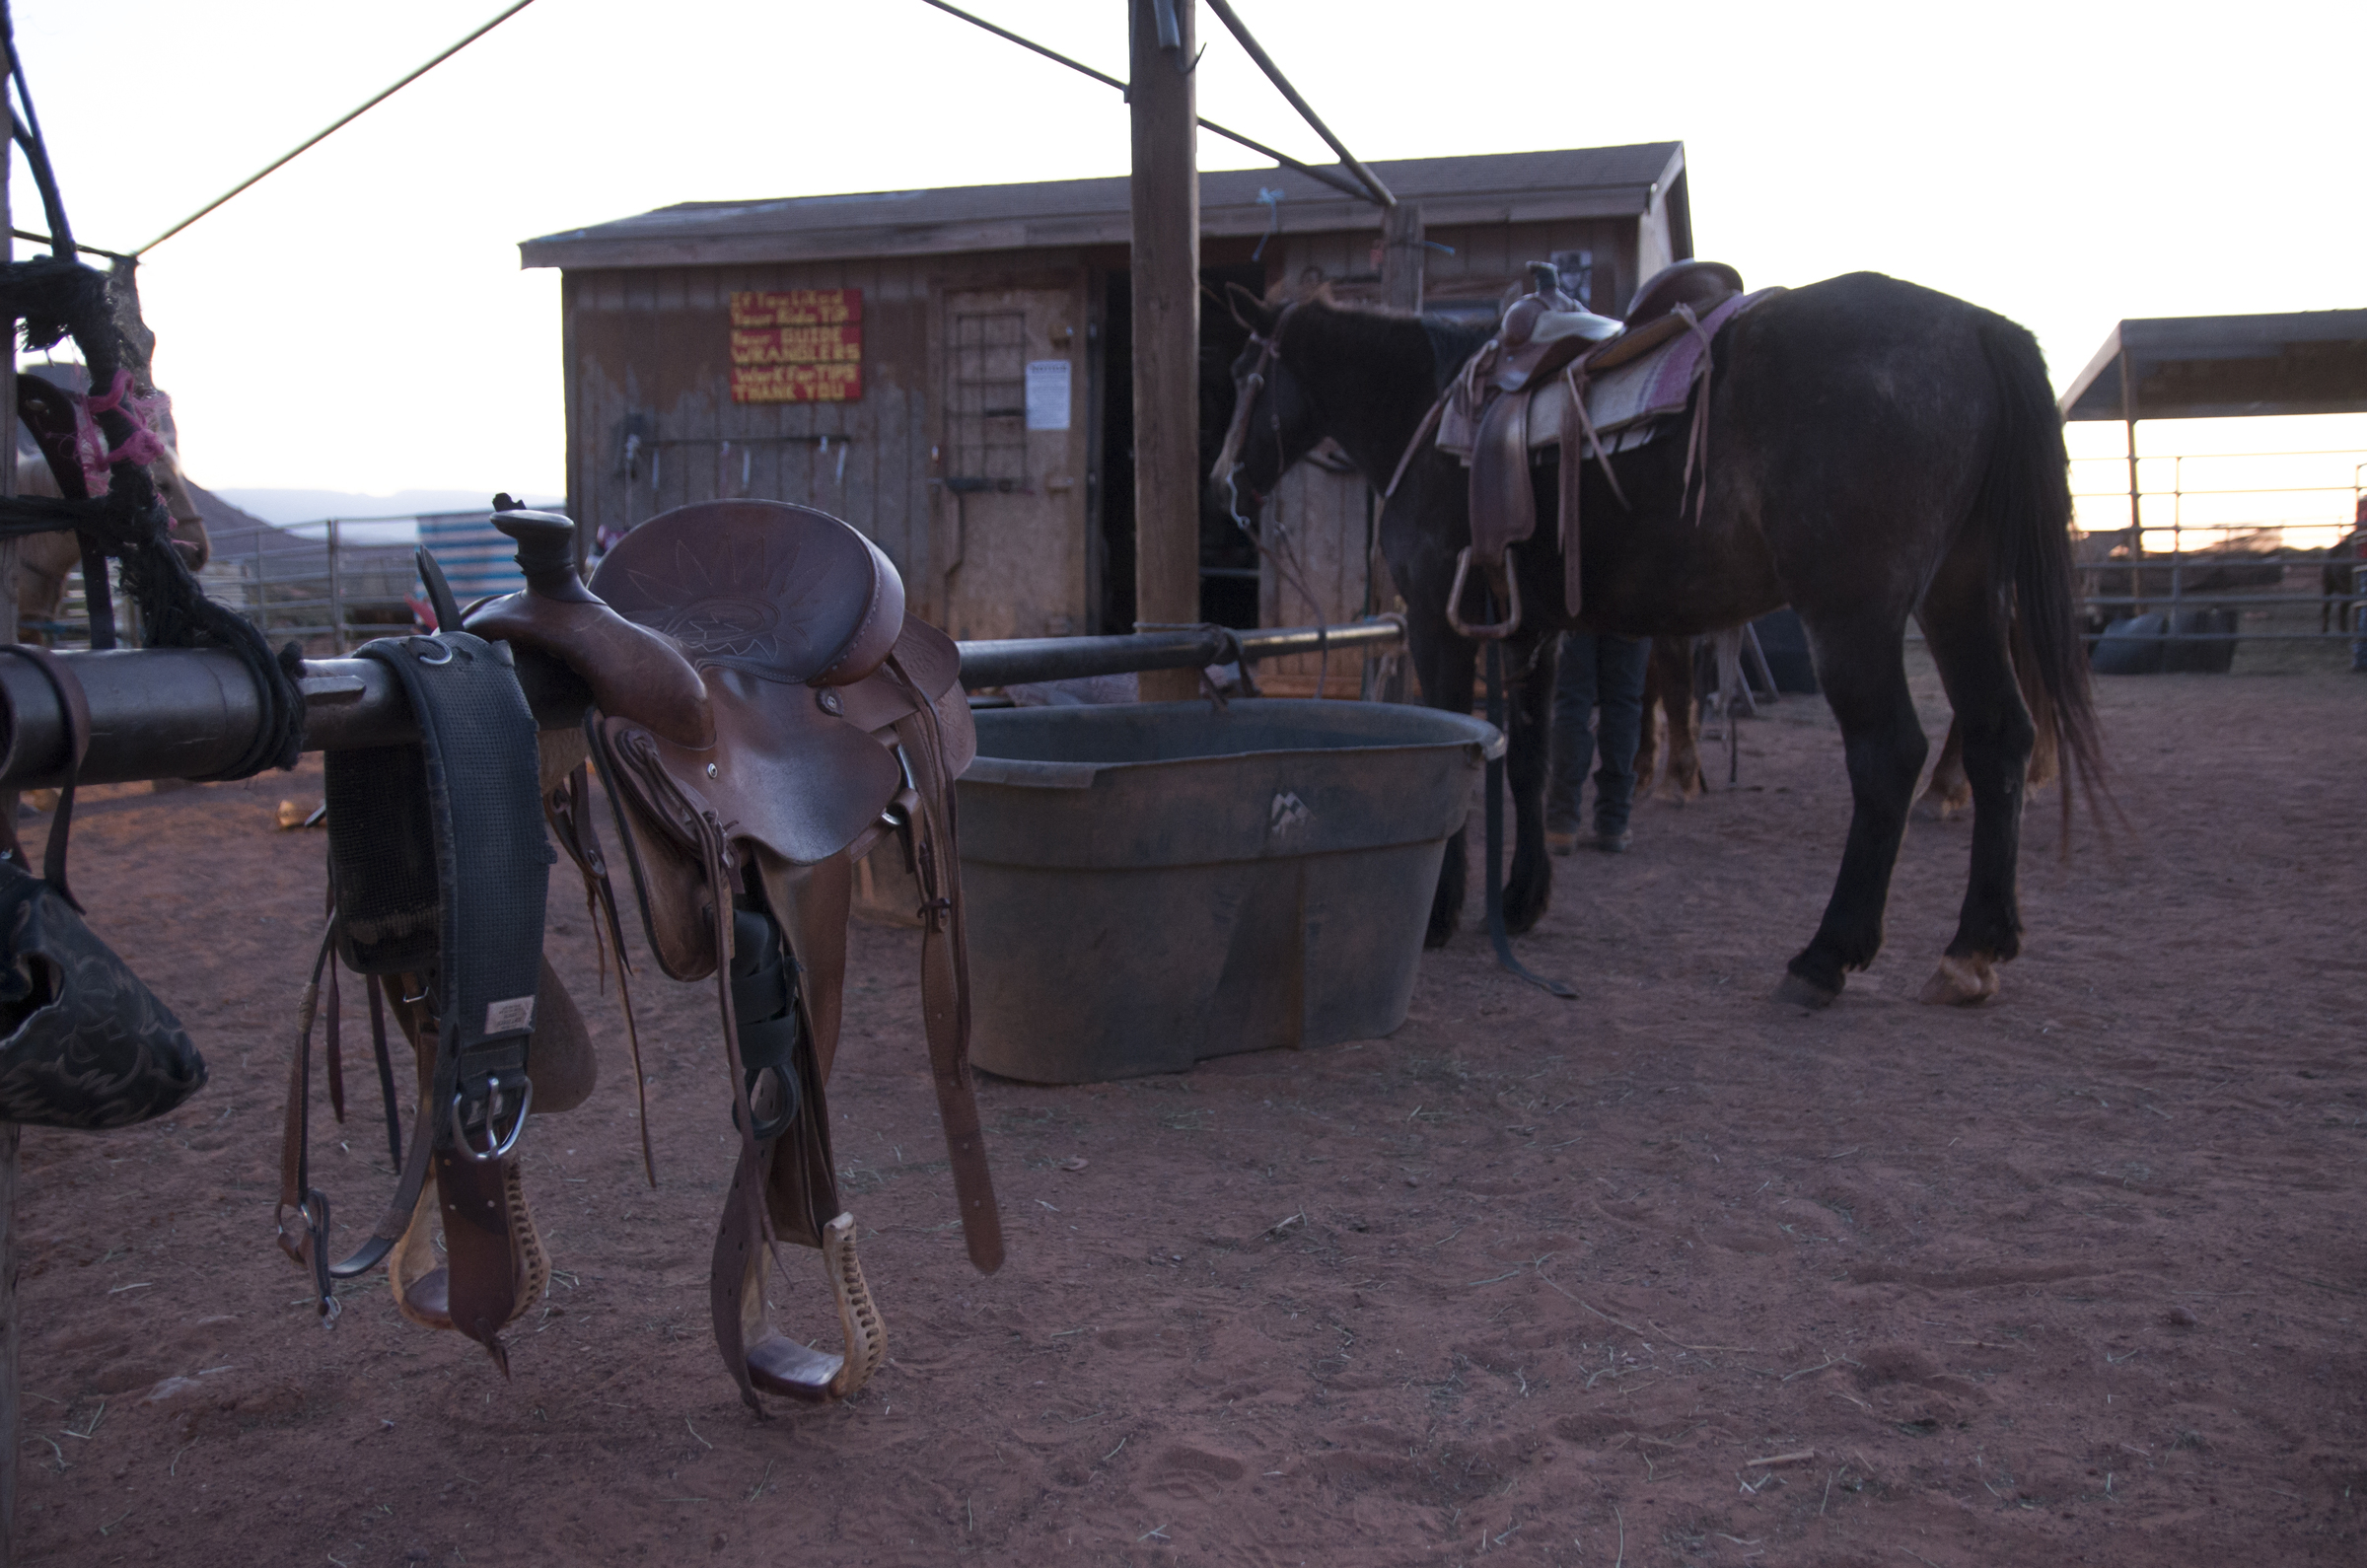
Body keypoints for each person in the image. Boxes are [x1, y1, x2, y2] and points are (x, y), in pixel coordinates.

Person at [1546, 631, 1650, 854]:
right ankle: (1613, 823)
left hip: (1577, 613)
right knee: (1624, 701)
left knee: (1572, 701)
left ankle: (1562, 822)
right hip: (1628, 614)